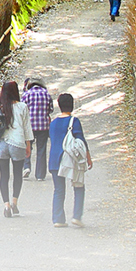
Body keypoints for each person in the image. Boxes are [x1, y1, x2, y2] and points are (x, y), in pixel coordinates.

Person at [49, 93, 93, 228]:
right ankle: (76, 216)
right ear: (72, 105)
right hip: (69, 159)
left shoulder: (53, 123)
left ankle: (58, 219)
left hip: (54, 160)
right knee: (78, 186)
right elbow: (80, 140)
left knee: (59, 190)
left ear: (59, 105)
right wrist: (88, 158)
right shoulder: (74, 121)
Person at [0, 81, 32, 217]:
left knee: (4, 175)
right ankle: (14, 202)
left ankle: (6, 205)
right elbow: (27, 128)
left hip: (1, 144)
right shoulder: (22, 107)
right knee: (17, 174)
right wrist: (28, 145)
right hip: (18, 144)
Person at [19, 79, 53, 181]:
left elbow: (22, 109)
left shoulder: (26, 94)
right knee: (41, 149)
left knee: (27, 146)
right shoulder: (47, 94)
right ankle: (40, 175)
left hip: (29, 126)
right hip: (43, 126)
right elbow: (50, 109)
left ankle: (26, 167)